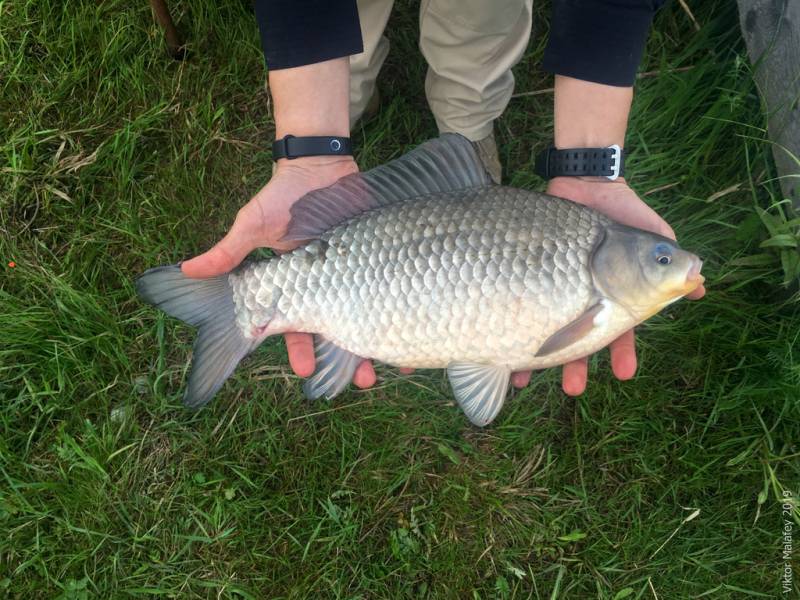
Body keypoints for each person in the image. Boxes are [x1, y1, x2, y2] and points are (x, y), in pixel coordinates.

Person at [180, 0, 705, 397]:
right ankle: (343, 100)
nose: (677, 263)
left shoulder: (596, 277)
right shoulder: (597, 290)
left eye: (662, 259)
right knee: (351, 36)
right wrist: (309, 146)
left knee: (479, 24)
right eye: (661, 258)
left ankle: (460, 117)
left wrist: (592, 166)